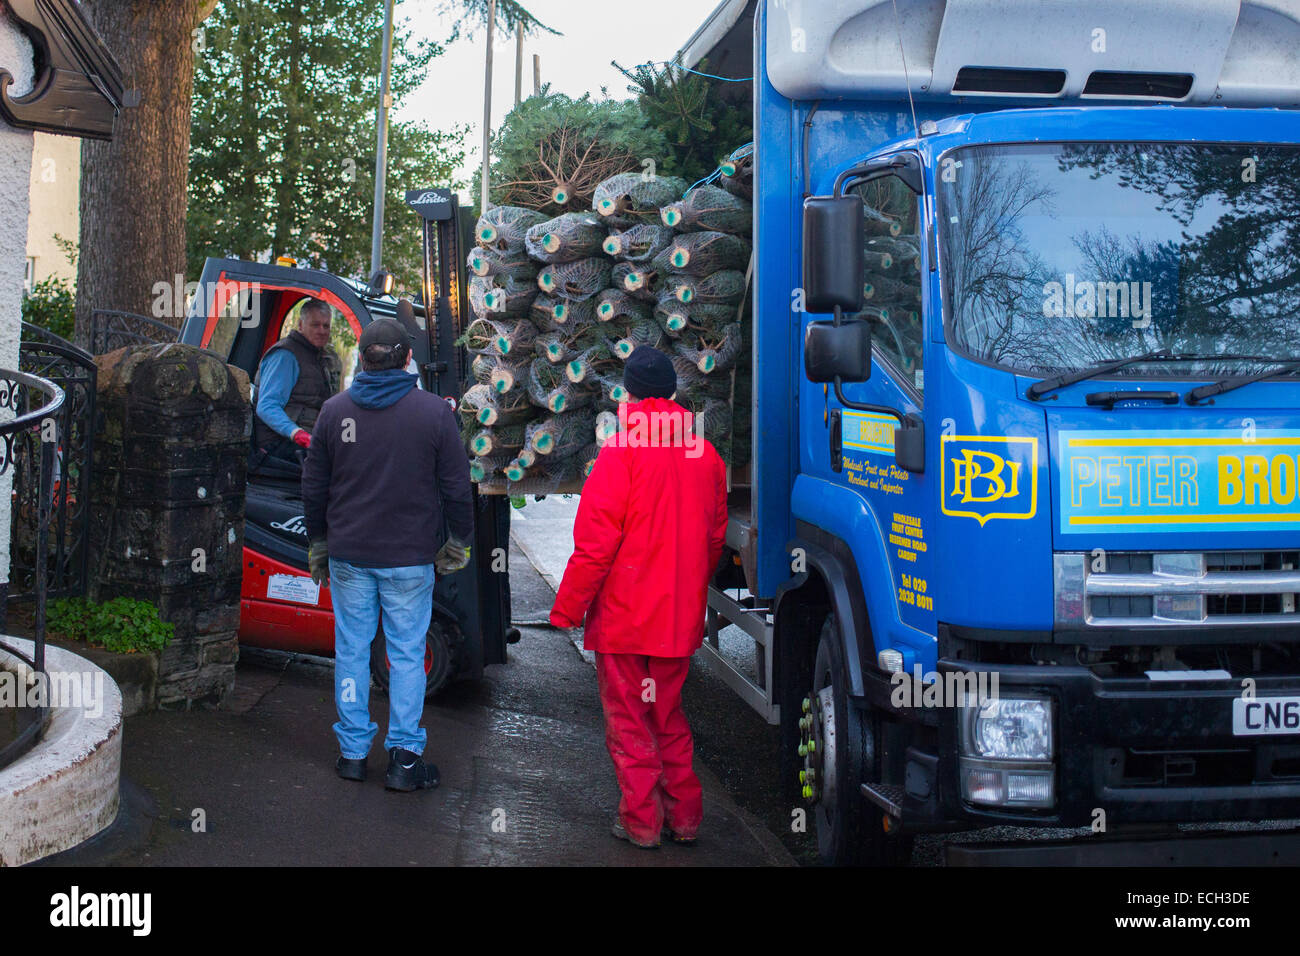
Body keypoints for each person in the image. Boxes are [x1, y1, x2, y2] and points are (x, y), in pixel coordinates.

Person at [550, 346, 729, 848]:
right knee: (666, 717)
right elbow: (714, 540)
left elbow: (594, 547)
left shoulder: (620, 452)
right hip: (675, 622)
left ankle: (642, 823)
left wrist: (567, 610)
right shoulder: (704, 454)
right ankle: (685, 819)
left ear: (627, 396)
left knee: (630, 723)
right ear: (674, 393)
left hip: (626, 622)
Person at [301, 317, 474, 792]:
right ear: (405, 360)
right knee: (405, 653)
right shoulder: (434, 414)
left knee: (353, 651)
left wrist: (318, 544)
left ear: (362, 359)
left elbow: (314, 488)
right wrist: (458, 541)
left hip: (350, 555)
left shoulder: (335, 413)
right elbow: (458, 488)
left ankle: (353, 754)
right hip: (409, 559)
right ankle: (404, 758)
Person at [252, 298, 342, 472]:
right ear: (301, 325)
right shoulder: (286, 356)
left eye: (326, 326)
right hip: (278, 443)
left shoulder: (323, 358)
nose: (322, 331)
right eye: (315, 325)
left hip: (308, 439)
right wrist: (296, 433)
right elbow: (267, 406)